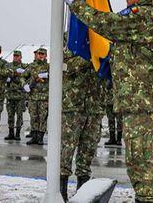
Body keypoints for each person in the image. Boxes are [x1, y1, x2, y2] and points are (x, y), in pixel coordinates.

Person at [64, 0, 153, 203]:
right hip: (144, 100)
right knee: (150, 156)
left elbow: (107, 24)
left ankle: (146, 199)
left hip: (140, 101)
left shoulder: (144, 16)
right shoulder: (151, 15)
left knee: (139, 159)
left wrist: (77, 4)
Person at [60, 47, 104, 201]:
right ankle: (61, 193)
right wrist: (90, 57)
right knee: (66, 149)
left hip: (95, 106)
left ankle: (82, 194)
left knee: (88, 151)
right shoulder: (71, 41)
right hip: (73, 105)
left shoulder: (100, 41)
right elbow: (65, 66)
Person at [24, 48, 50, 145]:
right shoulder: (31, 66)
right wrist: (24, 85)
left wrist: (48, 75)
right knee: (33, 117)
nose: (40, 55)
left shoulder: (49, 67)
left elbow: (58, 76)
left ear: (46, 55)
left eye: (42, 54)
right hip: (33, 97)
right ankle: (34, 137)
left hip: (44, 97)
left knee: (42, 118)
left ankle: (40, 138)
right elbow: (23, 76)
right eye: (39, 54)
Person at [4, 50, 28, 141]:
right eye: (14, 56)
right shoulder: (8, 65)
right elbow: (5, 73)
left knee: (19, 115)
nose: (15, 57)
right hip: (10, 94)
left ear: (21, 57)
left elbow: (28, 73)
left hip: (20, 95)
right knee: (10, 115)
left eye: (17, 56)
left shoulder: (24, 66)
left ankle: (17, 134)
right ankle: (10, 133)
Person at [104, 79, 123, 147]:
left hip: (118, 101)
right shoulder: (107, 75)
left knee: (119, 120)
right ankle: (112, 138)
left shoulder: (119, 75)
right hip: (109, 101)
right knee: (111, 120)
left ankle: (119, 139)